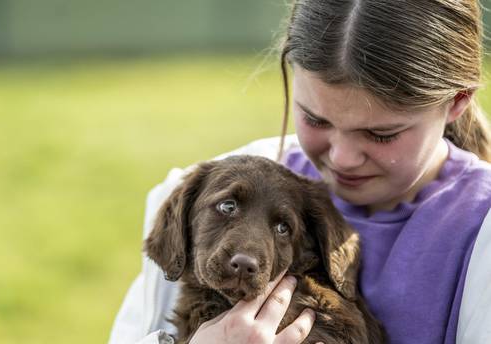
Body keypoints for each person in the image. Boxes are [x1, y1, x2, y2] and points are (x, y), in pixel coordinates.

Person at [109, 0, 491, 343]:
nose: (342, 158)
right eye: (315, 119)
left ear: (456, 102)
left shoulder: (479, 228)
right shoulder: (202, 190)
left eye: (380, 134)